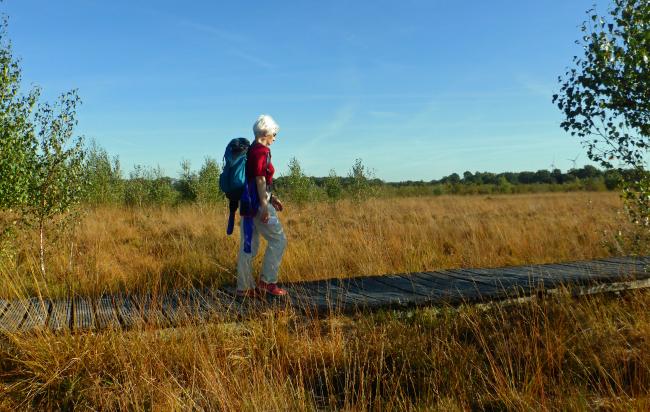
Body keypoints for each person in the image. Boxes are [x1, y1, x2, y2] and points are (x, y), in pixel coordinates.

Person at [236, 114, 288, 297]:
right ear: (266, 132)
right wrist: (266, 206)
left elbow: (254, 180)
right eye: (274, 134)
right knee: (279, 240)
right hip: (258, 205)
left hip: (247, 203)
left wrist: (271, 197)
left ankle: (243, 287)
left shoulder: (250, 150)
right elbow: (259, 179)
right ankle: (268, 282)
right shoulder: (262, 151)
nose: (274, 138)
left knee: (249, 245)